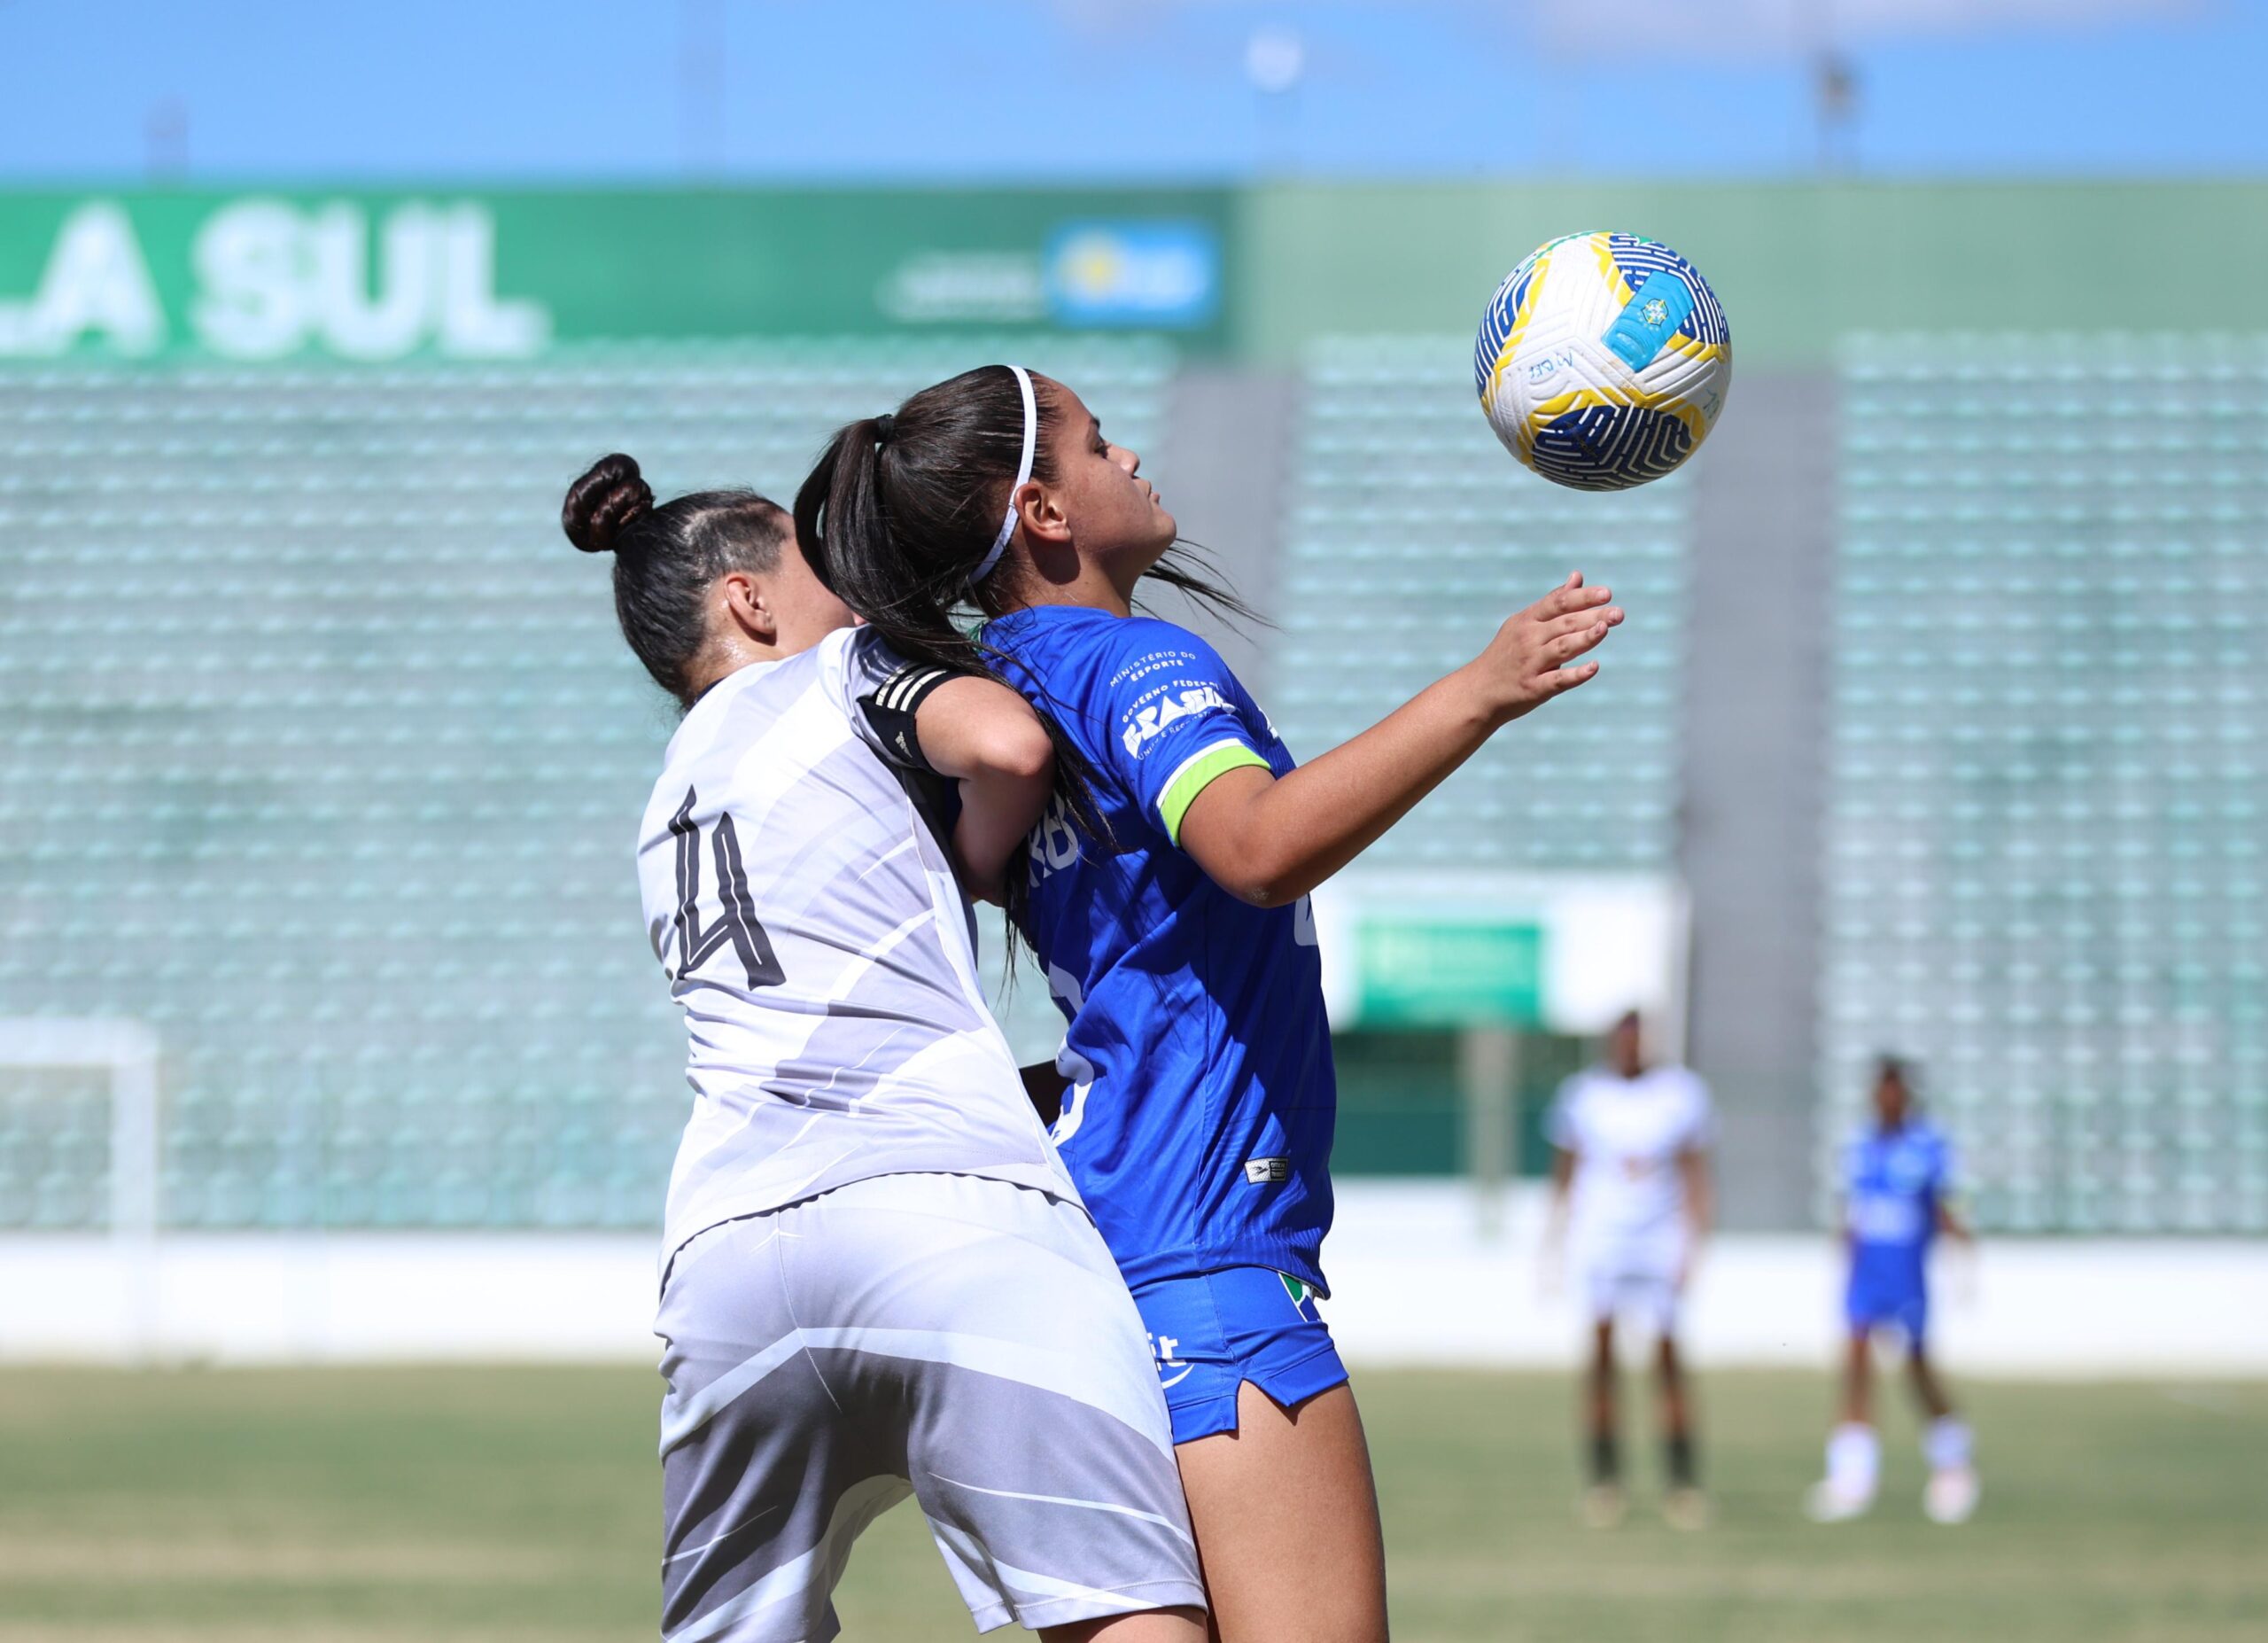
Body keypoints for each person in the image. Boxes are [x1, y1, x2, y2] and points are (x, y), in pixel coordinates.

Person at [792, 363, 1622, 1643]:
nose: (1135, 459)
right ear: (1045, 511)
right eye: (1100, 443)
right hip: (1204, 1261)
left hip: (1086, 1269)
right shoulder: (1131, 667)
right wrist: (1482, 688)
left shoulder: (1003, 691)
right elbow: (1256, 844)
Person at [562, 454, 1207, 1643]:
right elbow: (1008, 744)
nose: (854, 598)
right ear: (751, 603)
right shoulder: (841, 668)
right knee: (1126, 1617)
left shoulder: (664, 808)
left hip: (727, 1263)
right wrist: (980, 855)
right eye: (821, 573)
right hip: (942, 1208)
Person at [1542, 1009, 1713, 1530]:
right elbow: (1567, 1169)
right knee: (1601, 1358)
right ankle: (1604, 1480)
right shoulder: (1584, 1096)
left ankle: (1681, 1483)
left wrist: (1696, 1240)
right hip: (1603, 1239)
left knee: (1667, 1358)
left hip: (1658, 1239)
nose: (1631, 1048)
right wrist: (1553, 1240)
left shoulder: (1680, 1094)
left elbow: (1695, 1170)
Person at [1806, 1055, 1978, 1525]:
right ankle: (1852, 1478)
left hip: (1908, 1275)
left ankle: (1954, 1466)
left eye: (1894, 1090)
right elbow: (1853, 1210)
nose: (1886, 1099)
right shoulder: (1860, 1146)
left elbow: (1945, 1206)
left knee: (1917, 1371)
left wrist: (1964, 1254)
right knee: (1856, 1366)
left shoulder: (1928, 1146)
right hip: (1867, 1276)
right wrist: (1843, 1251)